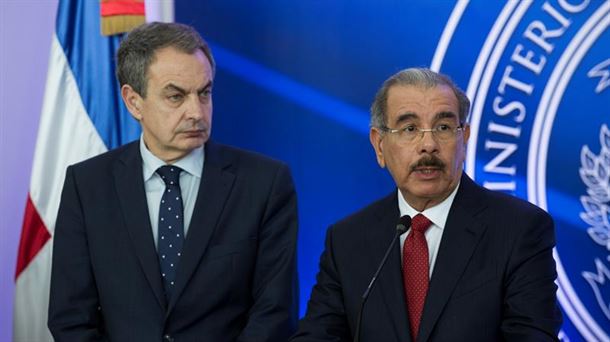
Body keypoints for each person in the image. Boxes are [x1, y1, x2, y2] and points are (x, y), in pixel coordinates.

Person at [48, 22, 298, 342]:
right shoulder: (87, 186)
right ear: (133, 101)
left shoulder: (265, 184)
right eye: (176, 96)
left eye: (204, 93)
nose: (196, 111)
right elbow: (70, 318)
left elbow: (274, 314)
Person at [291, 68, 561, 341]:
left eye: (443, 127)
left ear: (464, 139)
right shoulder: (348, 240)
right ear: (380, 145)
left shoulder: (518, 229)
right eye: (410, 128)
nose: (428, 145)